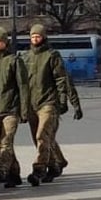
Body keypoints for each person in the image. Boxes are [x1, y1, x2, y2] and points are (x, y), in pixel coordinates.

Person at [0, 27, 29, 190]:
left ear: (5, 43)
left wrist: (24, 110)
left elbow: (23, 86)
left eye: (0, 41)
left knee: (6, 142)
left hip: (10, 109)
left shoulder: (14, 61)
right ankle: (13, 174)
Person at [23, 24, 70, 185]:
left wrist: (62, 99)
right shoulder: (26, 57)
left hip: (48, 102)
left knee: (42, 135)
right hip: (31, 104)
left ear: (43, 37)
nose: (35, 39)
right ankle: (57, 162)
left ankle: (39, 169)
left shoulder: (52, 55)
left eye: (38, 36)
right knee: (41, 138)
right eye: (33, 36)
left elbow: (60, 78)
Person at [50, 70, 83, 177]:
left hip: (53, 107)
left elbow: (70, 88)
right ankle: (59, 160)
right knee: (46, 137)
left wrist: (76, 106)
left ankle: (54, 163)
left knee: (46, 136)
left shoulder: (60, 69)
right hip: (38, 107)